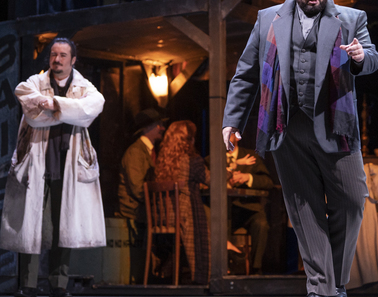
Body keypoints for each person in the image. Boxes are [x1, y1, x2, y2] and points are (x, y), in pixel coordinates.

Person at [222, 0, 378, 297]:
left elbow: (372, 57)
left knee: (353, 200)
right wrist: (232, 120)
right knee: (305, 210)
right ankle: (322, 290)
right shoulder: (268, 19)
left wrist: (359, 57)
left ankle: (334, 283)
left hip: (336, 125)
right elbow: (246, 73)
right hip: (287, 126)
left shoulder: (351, 18)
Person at [0, 38, 106, 297]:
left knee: (64, 225)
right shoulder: (36, 82)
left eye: (62, 55)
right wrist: (71, 111)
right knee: (31, 224)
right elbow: (28, 105)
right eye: (53, 54)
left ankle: (59, 284)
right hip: (38, 162)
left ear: (73, 60)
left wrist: (54, 105)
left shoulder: (83, 86)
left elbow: (95, 105)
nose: (56, 59)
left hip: (68, 164)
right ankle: (28, 284)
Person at [206, 134, 273, 275]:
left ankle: (256, 270)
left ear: (237, 137)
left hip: (247, 208)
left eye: (228, 133)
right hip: (223, 210)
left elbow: (267, 182)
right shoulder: (212, 159)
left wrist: (247, 177)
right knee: (220, 221)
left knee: (261, 224)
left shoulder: (250, 157)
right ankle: (225, 268)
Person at [155, 120, 211, 284]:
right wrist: (229, 173)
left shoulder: (162, 160)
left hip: (163, 216)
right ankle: (202, 275)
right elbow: (212, 180)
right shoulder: (192, 161)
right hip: (184, 217)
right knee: (208, 217)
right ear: (189, 139)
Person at [115, 108, 166, 283]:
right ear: (147, 128)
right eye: (159, 125)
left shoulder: (149, 151)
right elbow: (138, 189)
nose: (162, 128)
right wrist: (159, 204)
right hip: (135, 210)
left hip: (145, 208)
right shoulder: (136, 152)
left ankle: (160, 272)